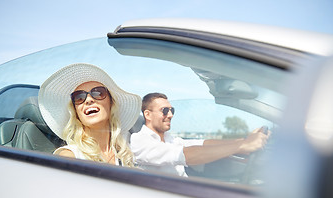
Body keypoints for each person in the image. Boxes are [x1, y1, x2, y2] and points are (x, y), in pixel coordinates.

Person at [130, 92, 269, 176]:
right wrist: (242, 146)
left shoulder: (168, 139)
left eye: (172, 110)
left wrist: (242, 140)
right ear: (147, 114)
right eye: (165, 111)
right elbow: (186, 155)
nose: (171, 115)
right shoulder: (139, 141)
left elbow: (201, 143)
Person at [38, 63, 141, 167]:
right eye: (79, 97)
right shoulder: (70, 156)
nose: (89, 100)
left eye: (98, 93)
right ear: (76, 112)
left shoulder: (126, 151)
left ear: (111, 103)